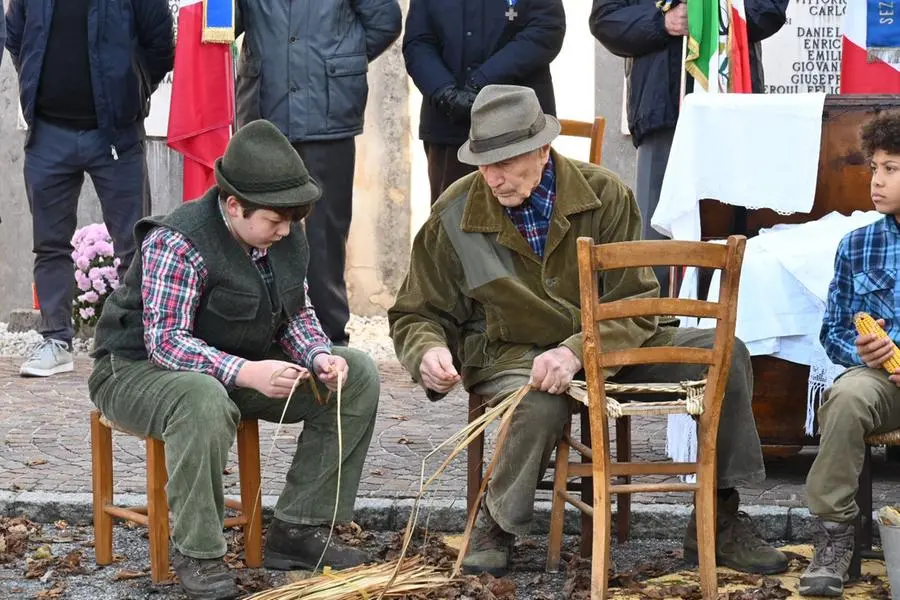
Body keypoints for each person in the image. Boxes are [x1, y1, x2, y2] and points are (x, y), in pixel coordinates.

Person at [388, 84, 787, 578]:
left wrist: (577, 350)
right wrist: (426, 350)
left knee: (725, 352)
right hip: (510, 350)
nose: (491, 177)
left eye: (504, 163)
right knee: (539, 393)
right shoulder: (454, 213)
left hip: (612, 342)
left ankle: (720, 515)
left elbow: (638, 301)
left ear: (540, 149)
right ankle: (497, 523)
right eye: (482, 163)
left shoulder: (605, 194)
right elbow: (416, 311)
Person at [88, 120, 381, 600]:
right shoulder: (178, 240)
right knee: (202, 398)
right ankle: (198, 554)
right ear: (233, 206)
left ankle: (299, 530)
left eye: (291, 219)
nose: (285, 231)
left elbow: (296, 313)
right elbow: (166, 342)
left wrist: (320, 355)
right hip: (136, 370)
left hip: (235, 365)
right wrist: (247, 372)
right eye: (274, 221)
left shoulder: (285, 234)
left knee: (360, 374)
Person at [5, 0, 174, 377]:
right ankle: (56, 341)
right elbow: (16, 37)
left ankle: (140, 341)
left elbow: (160, 44)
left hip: (115, 134)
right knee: (49, 244)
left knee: (135, 244)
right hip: (49, 132)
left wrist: (131, 88)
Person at [588, 0, 788, 295]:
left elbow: (769, 8)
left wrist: (713, 17)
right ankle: (656, 326)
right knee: (657, 237)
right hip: (661, 110)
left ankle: (730, 327)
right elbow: (606, 19)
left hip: (731, 107)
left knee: (731, 232)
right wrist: (662, 22)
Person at [234, 0, 402, 347]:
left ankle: (329, 338)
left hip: (329, 114)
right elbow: (221, 23)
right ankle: (264, 335)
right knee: (259, 228)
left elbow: (384, 22)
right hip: (265, 111)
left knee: (325, 234)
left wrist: (339, 61)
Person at [800, 113, 900, 597]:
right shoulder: (858, 245)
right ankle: (835, 538)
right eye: (874, 168)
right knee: (844, 398)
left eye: (892, 169)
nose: (877, 181)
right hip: (883, 380)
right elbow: (833, 331)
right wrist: (862, 349)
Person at [402, 0, 566, 203]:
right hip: (449, 122)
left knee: (529, 218)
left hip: (519, 124)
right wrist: (445, 93)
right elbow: (417, 43)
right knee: (453, 218)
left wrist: (481, 83)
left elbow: (547, 30)